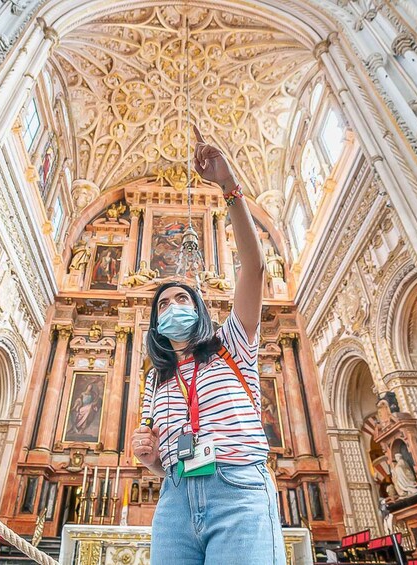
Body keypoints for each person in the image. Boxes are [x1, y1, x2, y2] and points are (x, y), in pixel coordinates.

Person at [131, 126, 284, 565]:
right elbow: (169, 455)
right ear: (156, 324)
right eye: (164, 303)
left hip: (238, 490)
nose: (173, 306)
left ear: (199, 311)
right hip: (175, 499)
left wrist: (228, 186)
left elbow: (253, 268)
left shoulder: (231, 344)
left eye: (183, 298)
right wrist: (152, 461)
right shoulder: (155, 381)